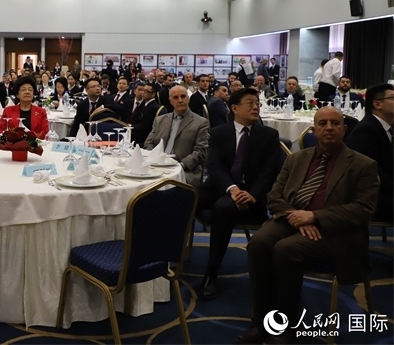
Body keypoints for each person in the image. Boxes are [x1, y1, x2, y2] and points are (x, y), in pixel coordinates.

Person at [238, 107, 378, 344]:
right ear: (313, 130)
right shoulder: (296, 159)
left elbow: (363, 210)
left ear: (344, 129)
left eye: (335, 123)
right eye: (322, 124)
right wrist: (297, 216)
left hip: (337, 231)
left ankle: (287, 325)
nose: (329, 128)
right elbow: (274, 195)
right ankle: (262, 321)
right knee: (259, 243)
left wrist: (315, 217)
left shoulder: (363, 165)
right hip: (292, 217)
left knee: (285, 250)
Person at [198, 88, 281, 300]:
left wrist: (252, 194)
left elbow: (270, 171)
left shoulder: (268, 135)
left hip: (251, 192)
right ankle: (169, 261)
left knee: (223, 209)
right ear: (234, 108)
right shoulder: (219, 133)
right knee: (181, 198)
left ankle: (211, 273)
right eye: (250, 103)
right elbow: (214, 166)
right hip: (221, 187)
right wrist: (232, 189)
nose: (255, 107)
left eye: (257, 103)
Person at [144, 86, 209, 187]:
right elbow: (148, 143)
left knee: (161, 187)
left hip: (185, 170)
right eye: (175, 97)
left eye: (183, 96)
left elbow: (200, 152)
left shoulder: (201, 123)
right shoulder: (160, 120)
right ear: (170, 101)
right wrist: (154, 161)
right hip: (156, 167)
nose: (180, 100)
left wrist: (179, 166)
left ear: (188, 99)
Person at [346, 83, 393, 222]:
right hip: (373, 197)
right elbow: (372, 175)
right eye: (393, 98)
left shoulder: (386, 127)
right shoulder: (366, 131)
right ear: (377, 104)